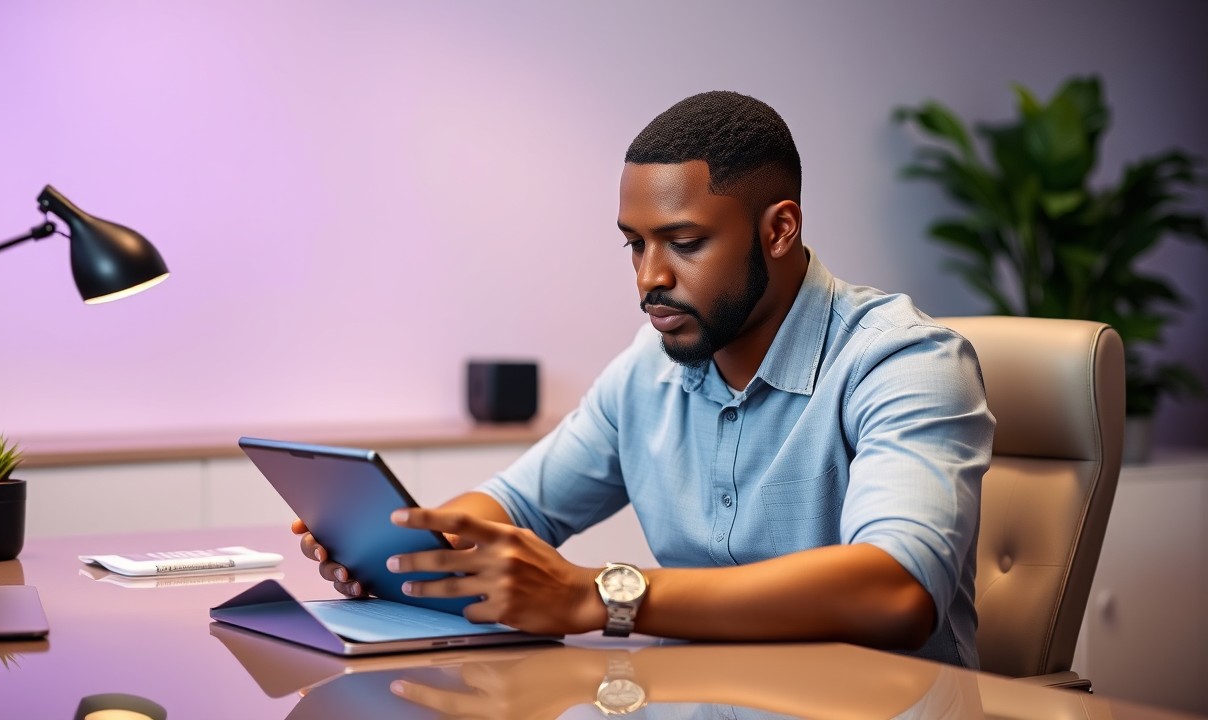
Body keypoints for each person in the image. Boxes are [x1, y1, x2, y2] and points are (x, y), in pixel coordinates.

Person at [295, 90, 994, 667]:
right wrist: (404, 554)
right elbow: (516, 507)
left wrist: (603, 596)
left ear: (779, 230)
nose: (649, 277)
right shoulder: (649, 368)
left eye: (685, 244)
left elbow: (898, 591)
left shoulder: (906, 361)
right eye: (635, 244)